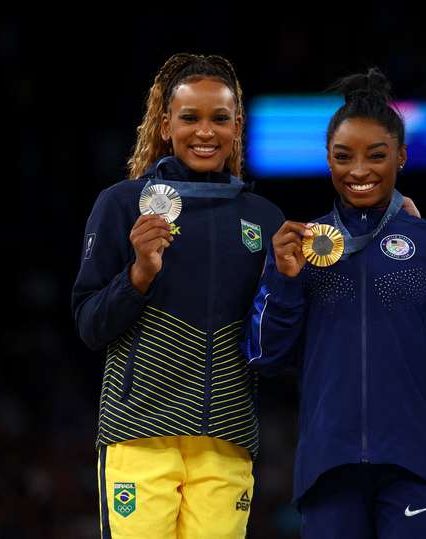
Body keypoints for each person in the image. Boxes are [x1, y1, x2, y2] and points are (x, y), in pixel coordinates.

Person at [242, 68, 426, 539]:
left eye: (376, 156)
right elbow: (265, 357)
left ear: (402, 156)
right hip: (327, 467)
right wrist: (286, 282)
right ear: (328, 160)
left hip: (416, 465)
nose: (359, 170)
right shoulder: (298, 248)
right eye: (343, 157)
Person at [71, 53, 284, 538]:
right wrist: (139, 274)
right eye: (190, 118)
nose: (205, 132)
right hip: (139, 432)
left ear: (236, 126)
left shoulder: (264, 218)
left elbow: (272, 346)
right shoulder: (123, 204)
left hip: (226, 440)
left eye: (219, 119)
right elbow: (89, 324)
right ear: (165, 124)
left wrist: (289, 285)